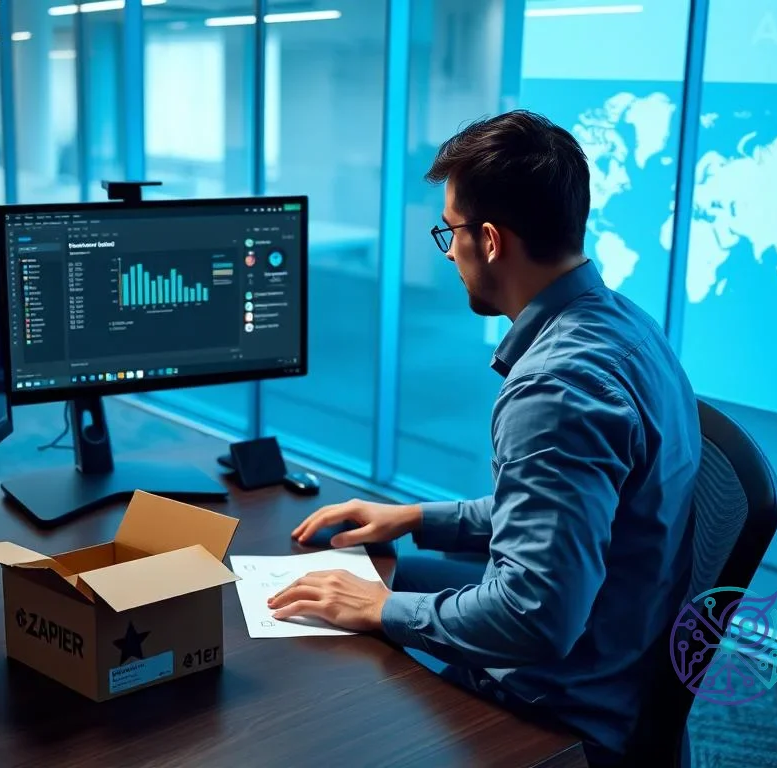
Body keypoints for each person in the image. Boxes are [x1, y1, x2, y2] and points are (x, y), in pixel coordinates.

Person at [269, 111, 702, 765]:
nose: (450, 252)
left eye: (451, 231)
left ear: (491, 241)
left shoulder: (557, 387)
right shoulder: (627, 328)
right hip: (619, 644)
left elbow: (535, 618)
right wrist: (416, 518)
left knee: (321, 681)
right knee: (369, 577)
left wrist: (382, 611)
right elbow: (570, 518)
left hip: (558, 700)